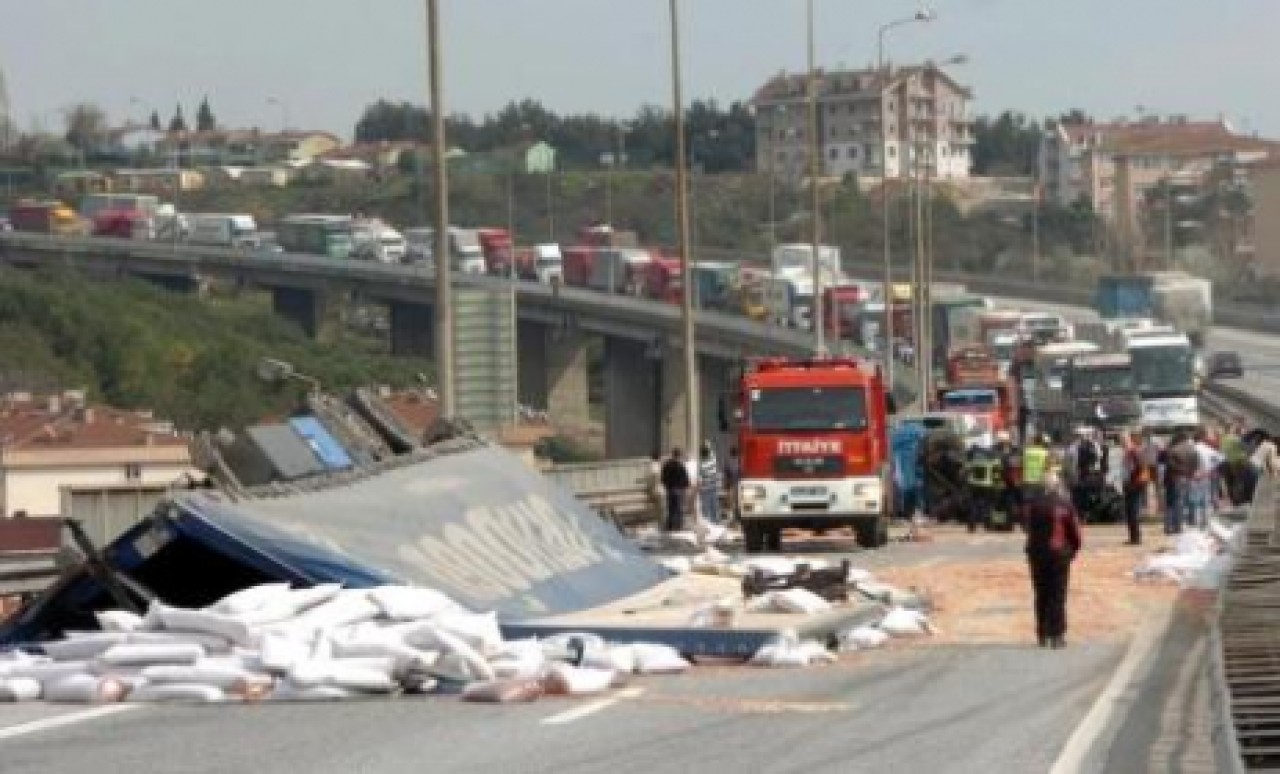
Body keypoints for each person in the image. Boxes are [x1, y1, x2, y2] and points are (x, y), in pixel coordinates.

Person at [1024, 470, 1082, 648]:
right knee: (1058, 594)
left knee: (1041, 593)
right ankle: (1057, 634)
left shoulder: (1033, 505)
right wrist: (1073, 551)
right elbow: (1075, 533)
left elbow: (1027, 527)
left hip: (1037, 553)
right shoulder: (1065, 505)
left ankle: (1042, 633)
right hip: (1059, 554)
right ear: (1058, 487)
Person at [1121, 431, 1148, 545]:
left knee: (1132, 511)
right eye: (1121, 440)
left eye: (1124, 440)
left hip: (1134, 485)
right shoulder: (1129, 452)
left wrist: (1135, 483)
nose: (1122, 443)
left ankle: (1136, 537)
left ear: (1130, 440)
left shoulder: (1134, 452)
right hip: (1130, 484)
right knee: (1130, 511)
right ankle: (1133, 536)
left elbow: (1141, 468)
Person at [659, 448, 692, 532]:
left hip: (669, 490)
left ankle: (670, 526)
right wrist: (685, 488)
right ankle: (678, 526)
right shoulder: (681, 466)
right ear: (679, 455)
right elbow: (686, 480)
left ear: (673, 454)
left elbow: (663, 478)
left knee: (671, 508)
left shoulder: (667, 465)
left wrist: (667, 486)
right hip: (679, 490)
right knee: (679, 509)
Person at [1022, 433, 1051, 503]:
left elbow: (1022, 465)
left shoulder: (1026, 452)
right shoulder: (1045, 453)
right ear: (1042, 442)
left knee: (1028, 501)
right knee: (1040, 501)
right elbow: (1047, 467)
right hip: (1040, 480)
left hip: (1028, 480)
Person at [697, 441, 721, 525]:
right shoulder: (713, 460)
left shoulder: (701, 464)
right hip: (712, 488)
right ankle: (716, 524)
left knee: (707, 509)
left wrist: (699, 488)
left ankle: (709, 525)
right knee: (714, 508)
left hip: (706, 489)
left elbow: (699, 478)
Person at [723, 446, 742, 524]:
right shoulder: (740, 461)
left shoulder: (728, 461)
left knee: (732, 504)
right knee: (737, 503)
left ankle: (734, 520)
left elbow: (726, 474)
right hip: (739, 485)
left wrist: (725, 486)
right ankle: (736, 519)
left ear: (731, 453)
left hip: (731, 485)